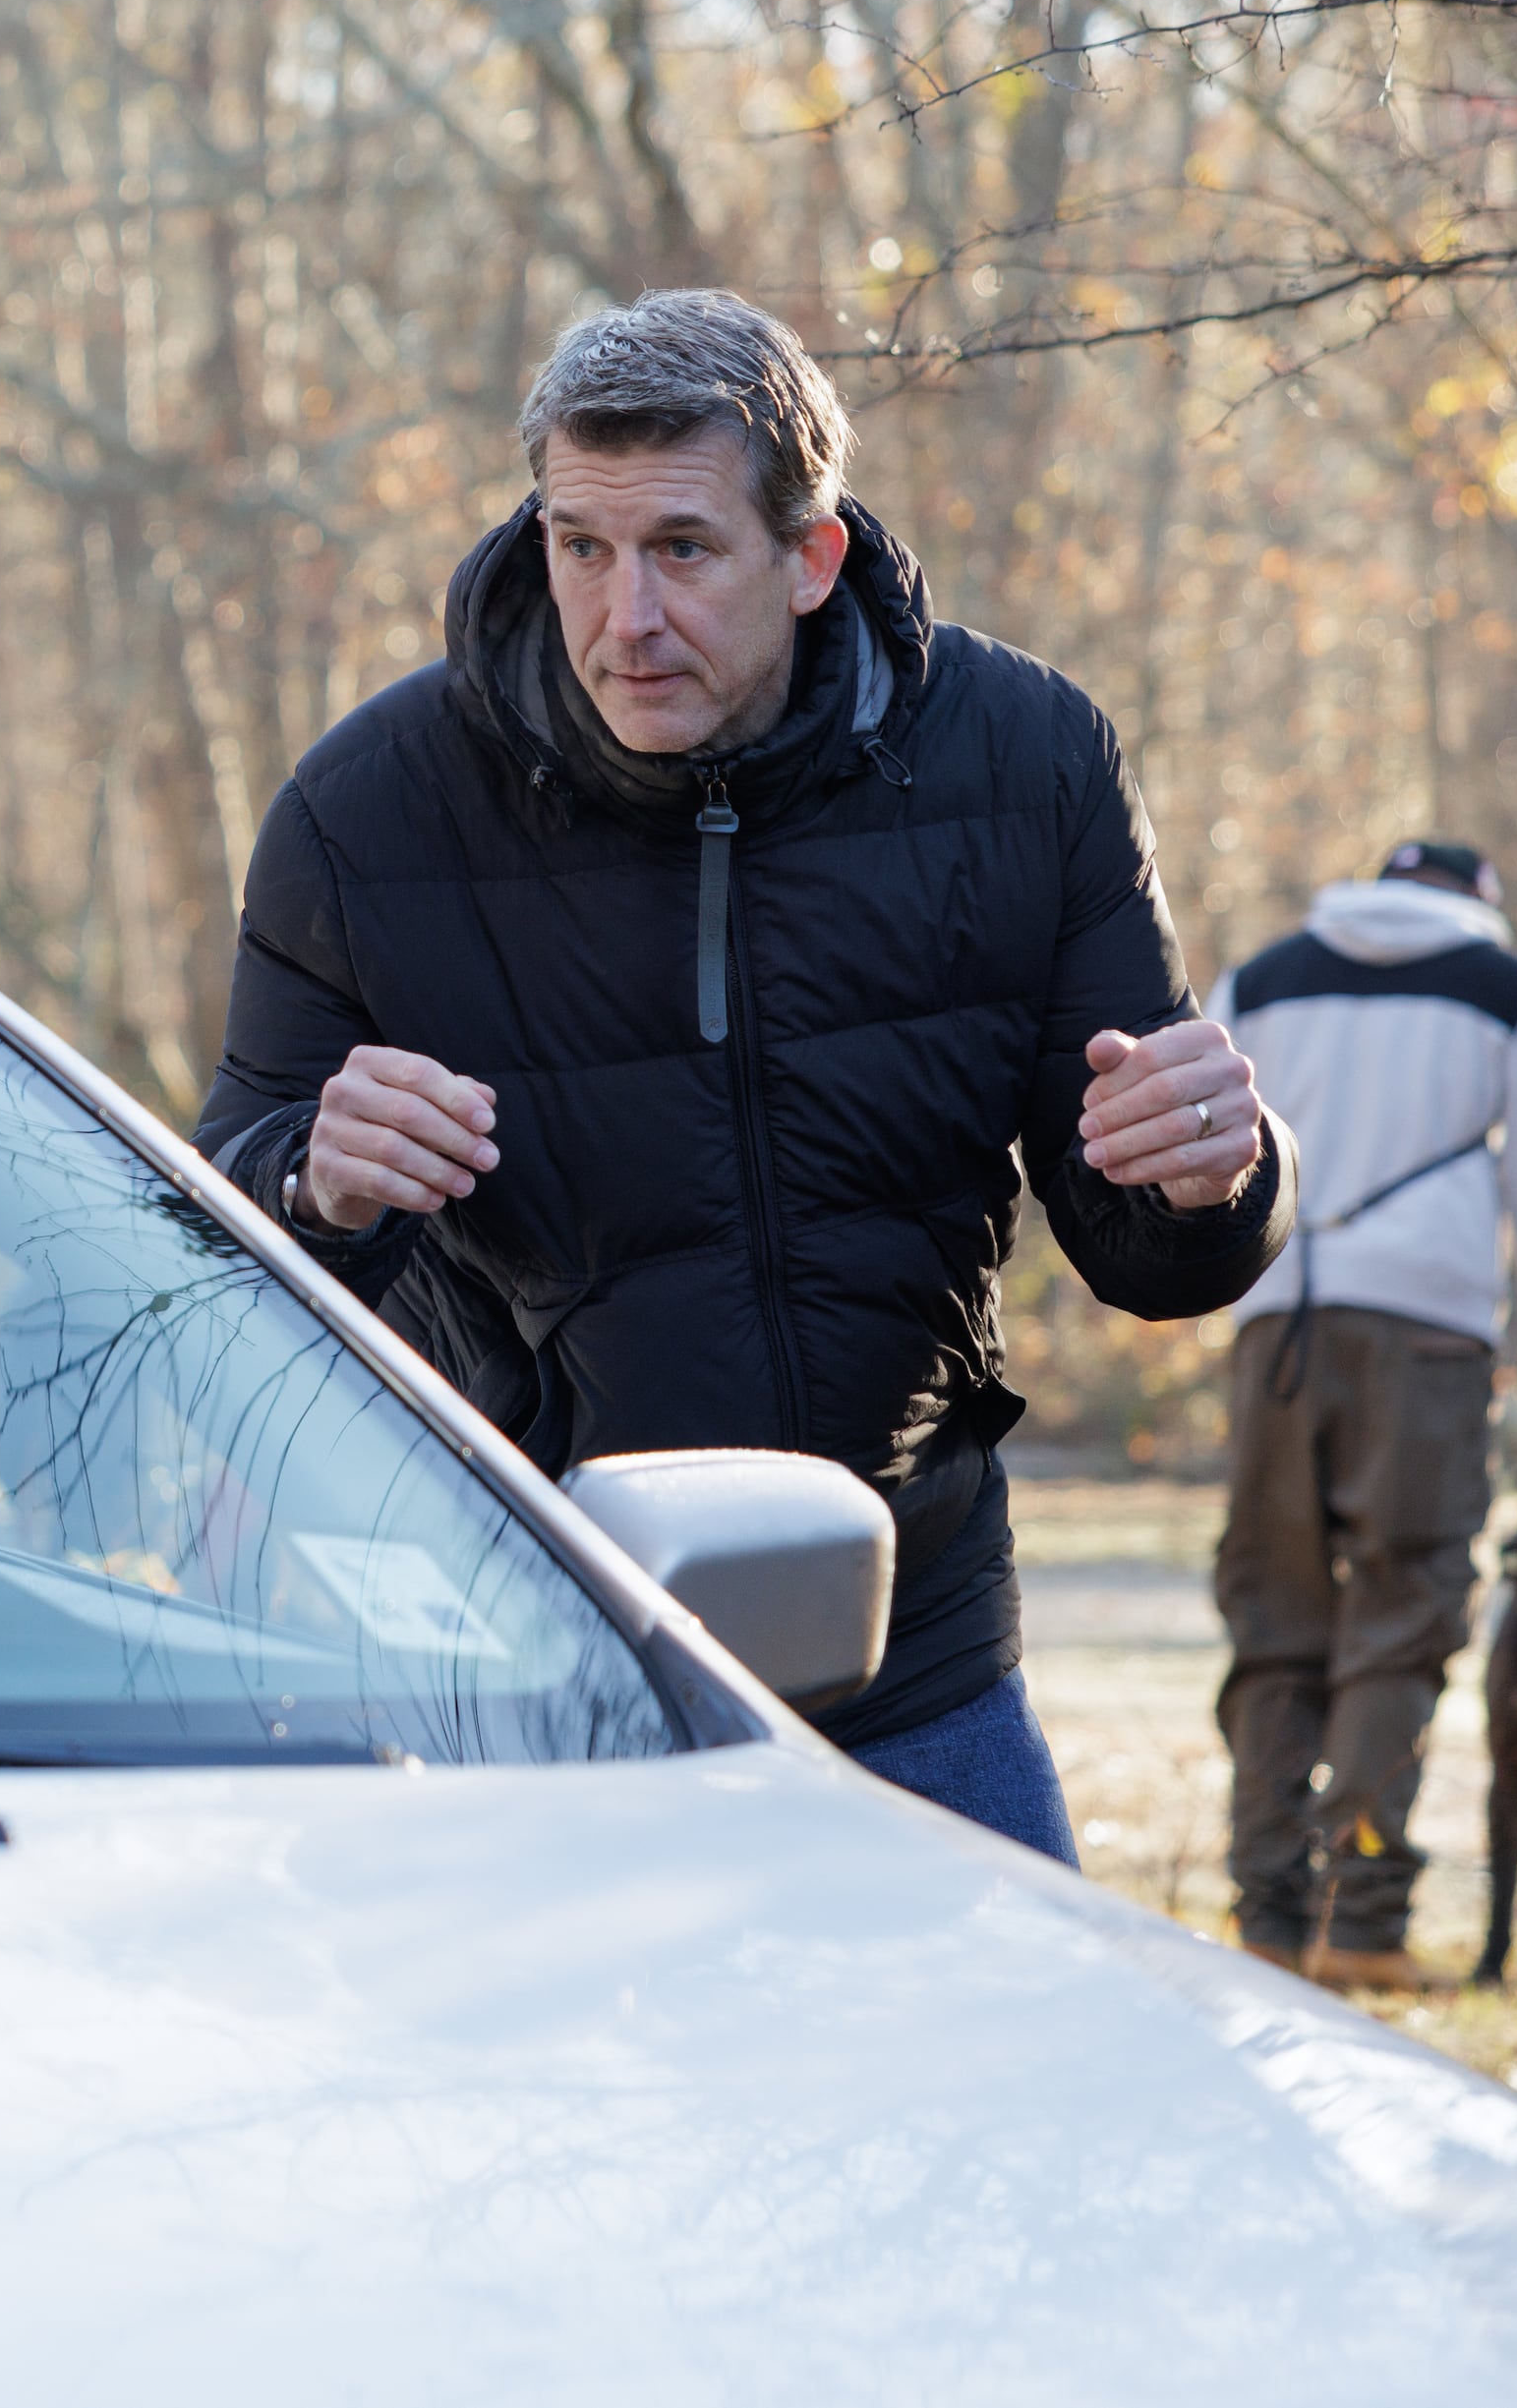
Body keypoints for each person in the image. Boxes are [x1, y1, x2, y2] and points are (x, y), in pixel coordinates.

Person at [191, 288, 1297, 1859]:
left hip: (918, 1664)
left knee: (999, 2097)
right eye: (581, 546)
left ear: (813, 555)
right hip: (530, 1673)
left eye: (684, 552)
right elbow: (213, 1248)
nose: (623, 616)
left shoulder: (1028, 759)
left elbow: (1149, 1241)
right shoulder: (367, 816)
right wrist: (308, 1170)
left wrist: (1216, 1173)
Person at [1207, 839, 1517, 1988]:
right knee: (1402, 1607)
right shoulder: (1514, 993)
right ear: (1479, 904)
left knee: (1275, 1614)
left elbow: (1199, 1149)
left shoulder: (1261, 976)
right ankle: (1366, 1919)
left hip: (1271, 1323)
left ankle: (1268, 1917)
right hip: (1428, 1338)